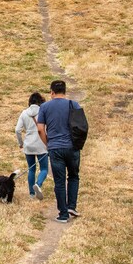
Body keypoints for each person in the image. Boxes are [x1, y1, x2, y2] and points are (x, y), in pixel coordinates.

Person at [36, 80, 82, 223]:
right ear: (65, 91)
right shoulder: (73, 104)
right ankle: (72, 206)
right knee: (73, 176)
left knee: (59, 182)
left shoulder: (44, 107)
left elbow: (40, 129)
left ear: (52, 92)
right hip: (72, 147)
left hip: (55, 148)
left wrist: (48, 143)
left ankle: (63, 214)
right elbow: (81, 126)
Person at [15, 92, 49, 200]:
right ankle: (38, 184)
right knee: (44, 169)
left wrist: (21, 143)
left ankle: (31, 194)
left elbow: (17, 130)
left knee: (31, 169)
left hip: (28, 145)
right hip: (41, 144)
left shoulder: (24, 113)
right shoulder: (43, 112)